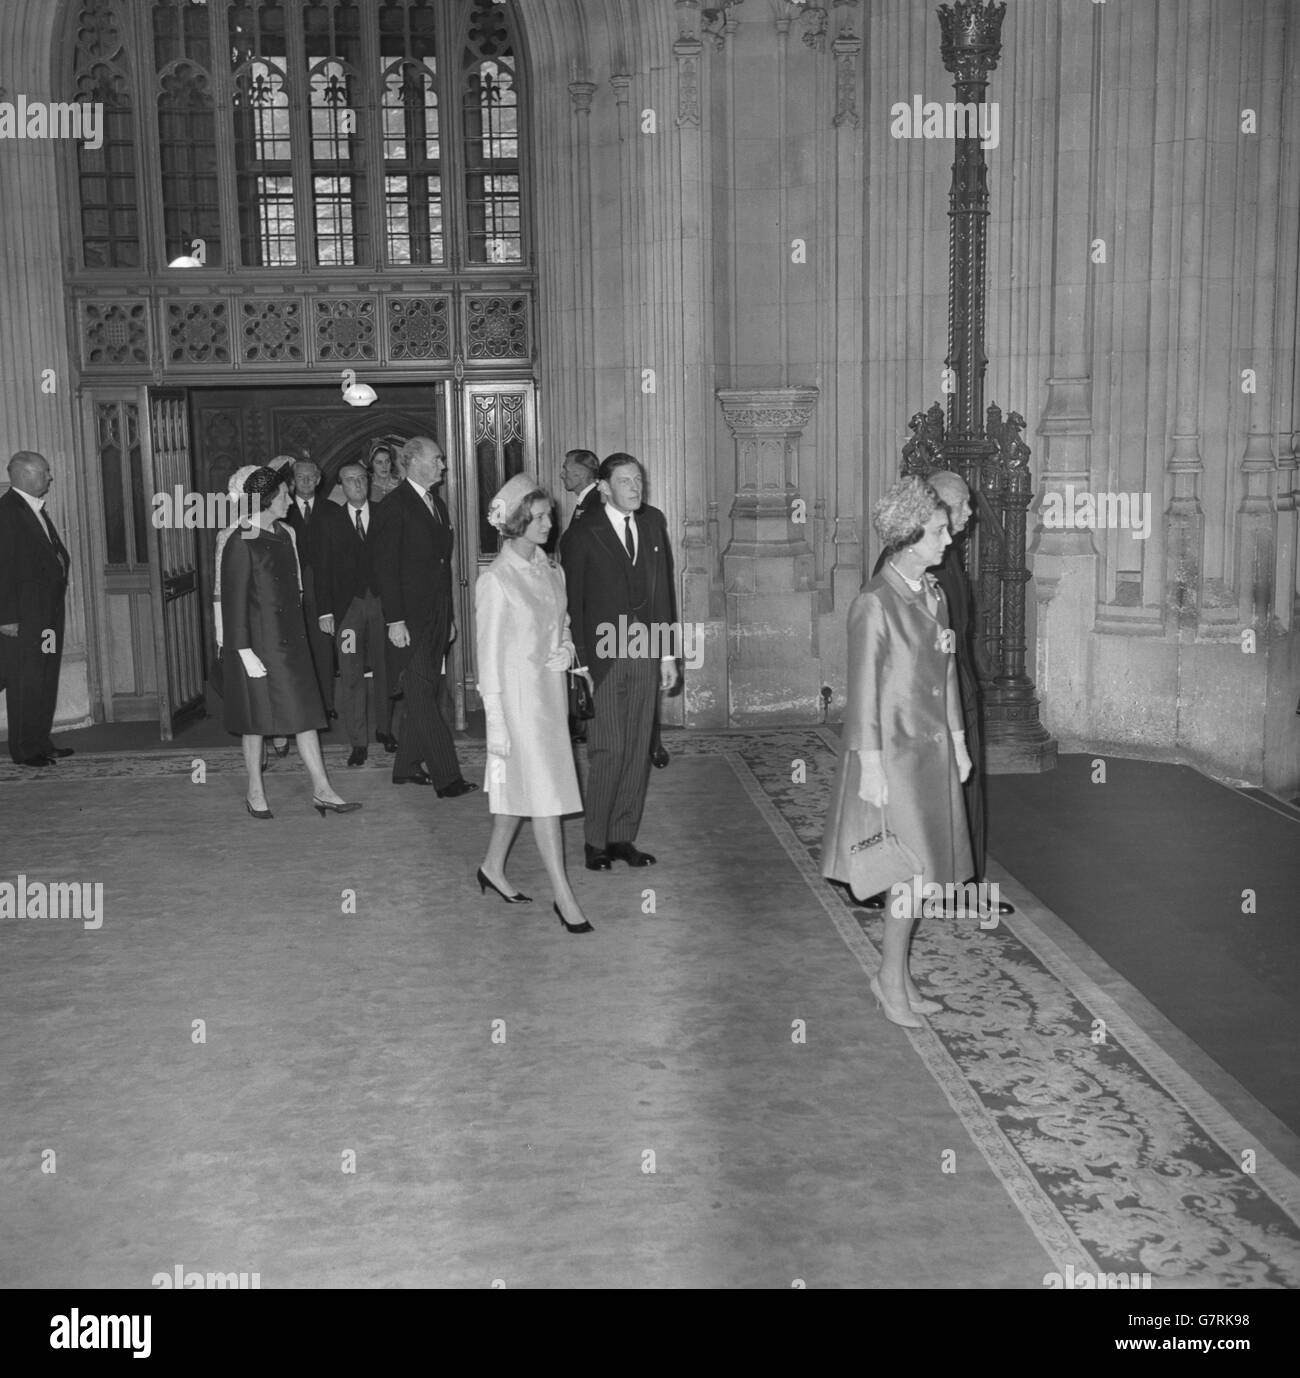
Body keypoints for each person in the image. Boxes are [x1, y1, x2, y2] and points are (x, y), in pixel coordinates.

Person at [821, 475, 973, 1028]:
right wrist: (870, 767)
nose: (949, 540)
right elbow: (862, 693)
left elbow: (948, 672)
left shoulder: (932, 593)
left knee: (923, 870)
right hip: (893, 760)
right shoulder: (874, 604)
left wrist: (958, 741)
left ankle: (899, 975)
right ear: (910, 538)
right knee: (907, 876)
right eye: (938, 532)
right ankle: (888, 982)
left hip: (931, 754)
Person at [476, 474, 594, 934]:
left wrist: (568, 650)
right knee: (544, 796)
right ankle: (564, 896)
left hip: (549, 698)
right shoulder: (496, 580)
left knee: (518, 791)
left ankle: (491, 866)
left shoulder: (552, 569)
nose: (549, 523)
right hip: (516, 704)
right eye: (540, 517)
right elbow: (486, 659)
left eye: (549, 515)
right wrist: (496, 723)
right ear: (518, 521)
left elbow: (559, 624)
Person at [220, 465, 360, 820]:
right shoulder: (243, 539)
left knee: (305, 716)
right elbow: (233, 599)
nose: (289, 499)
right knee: (256, 719)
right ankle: (255, 791)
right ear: (267, 499)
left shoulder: (286, 534)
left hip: (292, 641)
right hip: (257, 643)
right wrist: (242, 650)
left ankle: (323, 790)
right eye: (284, 494)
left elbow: (295, 588)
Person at [561, 452, 677, 871]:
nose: (635, 487)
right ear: (604, 487)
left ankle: (623, 836)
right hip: (603, 659)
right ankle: (596, 842)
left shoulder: (652, 523)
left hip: (645, 652)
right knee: (608, 749)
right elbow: (573, 605)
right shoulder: (581, 534)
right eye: (625, 481)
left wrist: (666, 654)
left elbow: (663, 592)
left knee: (635, 749)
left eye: (638, 479)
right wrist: (581, 666)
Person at [926, 468, 1014, 917]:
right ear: (937, 506)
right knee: (945, 791)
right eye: (962, 504)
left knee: (968, 786)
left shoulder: (948, 554)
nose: (971, 512)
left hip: (958, 678)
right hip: (934, 691)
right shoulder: (913, 562)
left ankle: (967, 884)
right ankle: (946, 886)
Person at [370, 435, 476, 798]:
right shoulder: (393, 505)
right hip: (408, 620)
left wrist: (449, 618)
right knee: (424, 698)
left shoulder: (437, 505)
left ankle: (406, 766)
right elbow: (385, 569)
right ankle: (448, 778)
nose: (443, 466)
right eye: (437, 459)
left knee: (424, 690)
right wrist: (394, 621)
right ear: (412, 461)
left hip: (436, 615)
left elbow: (440, 566)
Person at [318, 463, 394, 766]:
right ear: (341, 485)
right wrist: (325, 611)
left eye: (361, 479)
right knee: (350, 674)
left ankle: (385, 730)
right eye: (350, 480)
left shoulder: (385, 514)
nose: (357, 485)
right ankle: (358, 741)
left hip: (381, 604)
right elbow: (321, 570)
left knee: (386, 669)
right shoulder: (330, 521)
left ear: (369, 481)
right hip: (347, 608)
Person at [0, 451, 72, 766]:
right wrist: (7, 618)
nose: (49, 477)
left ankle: (41, 741)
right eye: (45, 471)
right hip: (23, 619)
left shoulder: (34, 509)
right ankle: (24, 748)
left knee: (45, 676)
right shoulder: (7, 511)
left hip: (47, 617)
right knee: (24, 681)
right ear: (26, 474)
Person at [286, 459, 337, 719]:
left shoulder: (332, 510)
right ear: (293, 481)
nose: (306, 481)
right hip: (289, 590)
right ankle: (300, 706)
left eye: (310, 477)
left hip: (322, 591)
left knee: (323, 649)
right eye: (301, 477)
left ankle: (327, 705)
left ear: (318, 480)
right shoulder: (282, 510)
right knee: (294, 651)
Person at [558, 448, 601, 743]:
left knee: (587, 660)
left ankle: (589, 720)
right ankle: (582, 721)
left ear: (582, 473)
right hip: (580, 597)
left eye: (566, 468)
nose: (562, 473)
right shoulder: (584, 503)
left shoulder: (596, 503)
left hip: (590, 601)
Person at [368, 440, 403, 505]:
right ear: (372, 464)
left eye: (387, 461)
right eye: (379, 462)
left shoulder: (401, 486)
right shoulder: (366, 487)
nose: (384, 466)